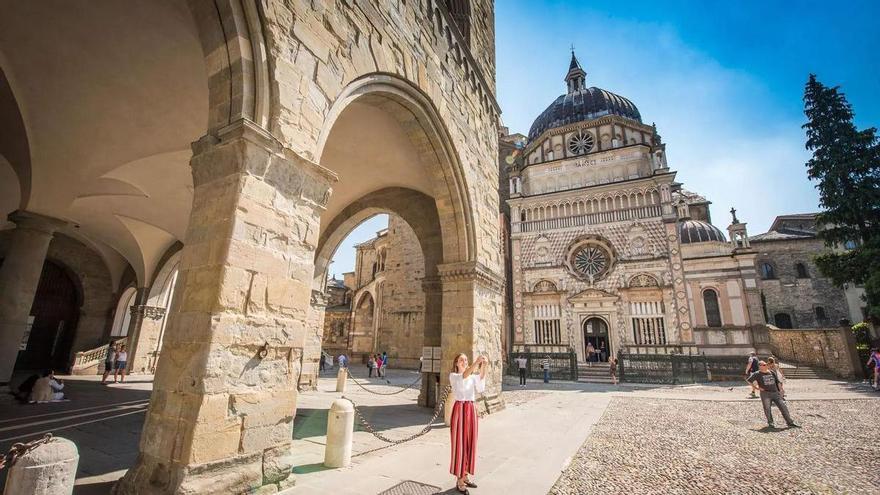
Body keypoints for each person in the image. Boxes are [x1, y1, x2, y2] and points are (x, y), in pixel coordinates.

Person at [449, 353, 487, 494]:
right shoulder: (454, 376)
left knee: (471, 442)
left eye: (466, 360)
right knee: (460, 444)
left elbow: (481, 381)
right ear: (456, 363)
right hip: (460, 409)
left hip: (471, 409)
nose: (464, 361)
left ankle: (465, 475)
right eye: (461, 360)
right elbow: (464, 375)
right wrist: (477, 362)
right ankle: (459, 479)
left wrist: (485, 365)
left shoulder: (472, 377)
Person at [747, 361, 799, 429]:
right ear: (760, 366)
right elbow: (749, 380)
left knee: (783, 407)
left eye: (766, 364)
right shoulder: (757, 374)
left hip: (775, 393)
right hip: (765, 394)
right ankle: (771, 423)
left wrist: (781, 390)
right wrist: (757, 388)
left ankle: (790, 422)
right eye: (764, 365)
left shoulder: (771, 372)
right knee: (767, 409)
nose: (766, 365)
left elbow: (777, 382)